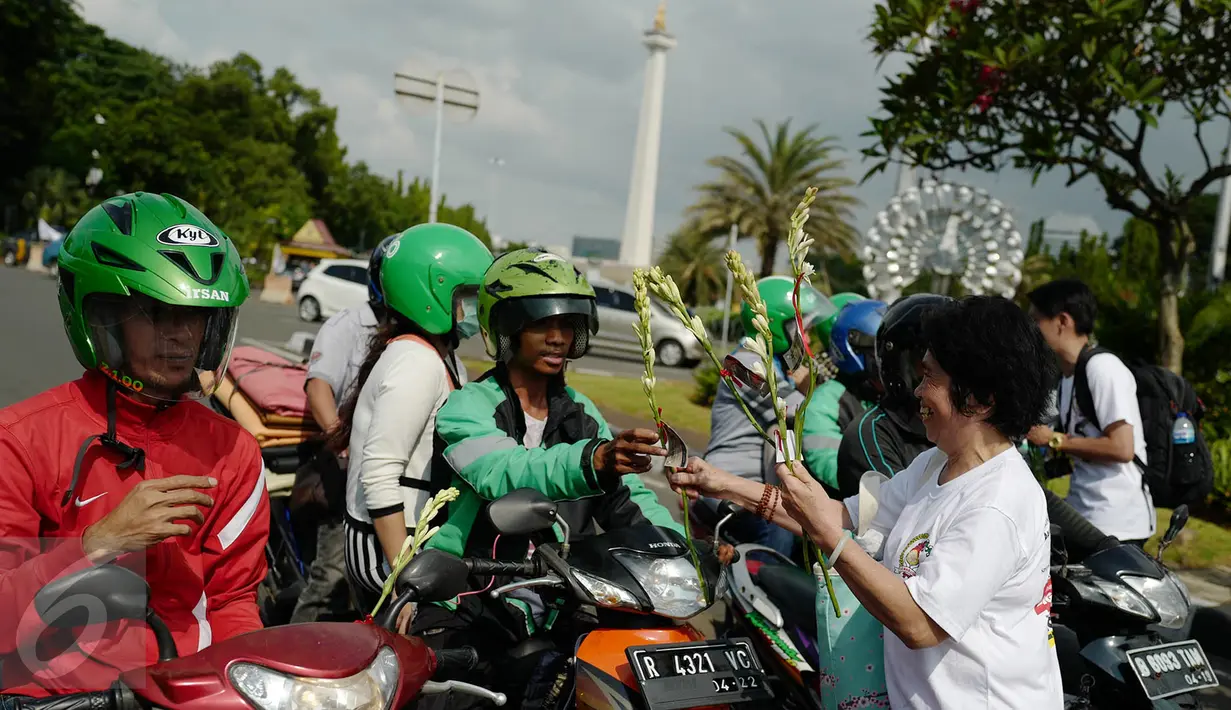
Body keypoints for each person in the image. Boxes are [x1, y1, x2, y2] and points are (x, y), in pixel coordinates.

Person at [670, 295, 1064, 709]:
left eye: (929, 377)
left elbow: (919, 624)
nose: (916, 390)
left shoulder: (996, 504)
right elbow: (837, 517)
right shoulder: (933, 466)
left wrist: (834, 545)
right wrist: (720, 483)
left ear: (979, 399)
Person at [0, 193, 269, 698]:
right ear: (102, 314)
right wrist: (97, 543)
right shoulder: (19, 440)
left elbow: (233, 601)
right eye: (158, 312)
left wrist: (244, 691)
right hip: (54, 700)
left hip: (187, 693)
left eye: (195, 317)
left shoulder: (234, 452)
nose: (183, 336)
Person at [414, 248, 682, 708]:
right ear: (507, 328)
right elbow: (503, 471)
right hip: (472, 599)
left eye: (568, 324)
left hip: (564, 604)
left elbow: (627, 499)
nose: (557, 337)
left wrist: (680, 552)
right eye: (541, 324)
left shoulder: (581, 413)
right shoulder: (468, 407)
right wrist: (591, 461)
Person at [332, 224, 492, 619]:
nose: (475, 310)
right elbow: (380, 472)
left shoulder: (438, 355)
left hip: (407, 543)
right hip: (387, 553)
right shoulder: (416, 362)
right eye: (468, 297)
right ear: (432, 293)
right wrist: (404, 576)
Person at [288, 234, 398, 624]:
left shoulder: (426, 338)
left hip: (399, 475)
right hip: (349, 467)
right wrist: (343, 440)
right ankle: (295, 665)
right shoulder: (351, 324)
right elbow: (319, 386)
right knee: (333, 577)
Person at [701, 275, 832, 556]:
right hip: (729, 482)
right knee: (784, 526)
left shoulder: (769, 363)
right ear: (774, 324)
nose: (806, 338)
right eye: (802, 329)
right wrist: (818, 390)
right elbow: (798, 411)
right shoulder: (745, 365)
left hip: (757, 483)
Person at [1025, 279, 1156, 545]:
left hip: (1116, 524)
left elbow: (1122, 448)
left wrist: (1053, 439)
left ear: (1062, 321)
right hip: (1086, 513)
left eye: (1036, 321)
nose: (1031, 330)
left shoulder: (1103, 368)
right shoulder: (1069, 376)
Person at [833, 294, 949, 497]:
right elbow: (907, 515)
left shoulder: (955, 424)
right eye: (927, 364)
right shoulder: (871, 434)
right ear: (899, 363)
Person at [805, 295, 880, 495]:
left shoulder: (892, 398)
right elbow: (835, 471)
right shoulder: (825, 402)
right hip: (844, 515)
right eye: (880, 355)